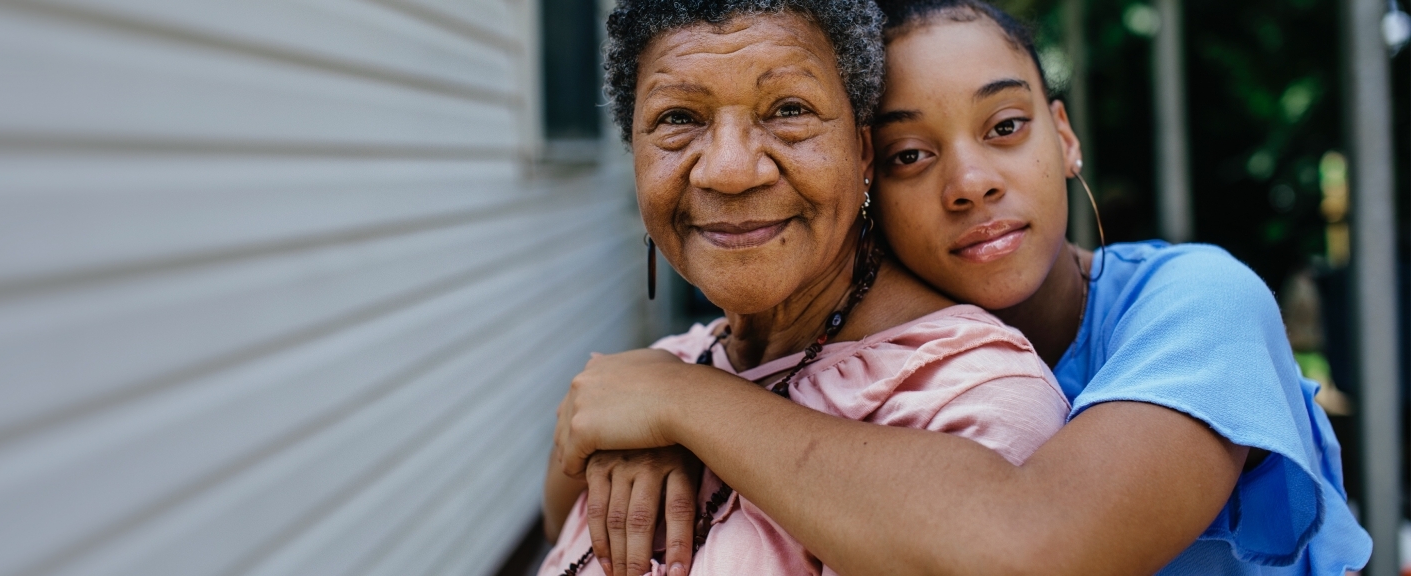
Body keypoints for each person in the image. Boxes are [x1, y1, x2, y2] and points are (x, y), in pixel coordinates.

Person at [551, 1, 1374, 574]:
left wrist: (681, 403)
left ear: (1064, 134)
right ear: (868, 175)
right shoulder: (822, 355)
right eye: (912, 153)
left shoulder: (1197, 299)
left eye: (1005, 128)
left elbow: (1037, 545)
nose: (972, 182)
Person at [535, 2, 1074, 574]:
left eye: (788, 110)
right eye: (678, 119)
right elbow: (557, 521)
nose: (729, 170)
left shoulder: (965, 392)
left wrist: (681, 407)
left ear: (863, 151)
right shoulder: (657, 373)